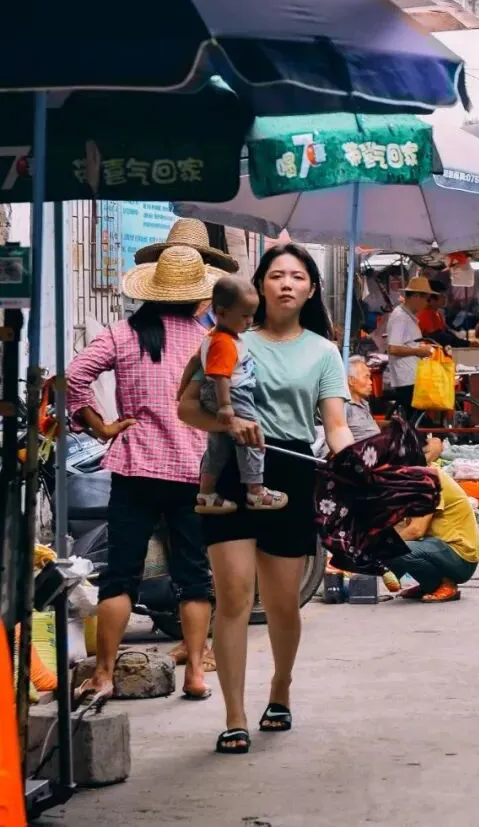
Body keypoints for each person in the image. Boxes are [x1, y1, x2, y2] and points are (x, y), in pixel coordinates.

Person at [177, 241, 352, 756]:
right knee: (232, 595)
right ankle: (234, 715)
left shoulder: (324, 351)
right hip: (229, 469)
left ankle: (280, 687)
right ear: (258, 286)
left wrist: (356, 466)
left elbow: (335, 426)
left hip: (293, 471)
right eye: (276, 275)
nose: (286, 284)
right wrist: (230, 423)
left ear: (311, 288)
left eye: (297, 277)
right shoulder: (225, 340)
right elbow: (186, 407)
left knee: (282, 603)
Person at [67, 245, 217, 703]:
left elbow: (73, 378)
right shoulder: (208, 342)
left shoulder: (121, 334)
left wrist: (101, 425)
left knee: (120, 575)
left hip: (136, 467)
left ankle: (105, 675)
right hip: (194, 468)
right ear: (196, 298)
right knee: (194, 575)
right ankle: (195, 672)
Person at [195, 276, 287, 515]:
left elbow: (194, 365)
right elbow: (221, 376)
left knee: (218, 447)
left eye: (252, 315)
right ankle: (255, 492)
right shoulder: (224, 342)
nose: (249, 321)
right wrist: (226, 405)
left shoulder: (212, 338)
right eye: (244, 316)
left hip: (219, 394)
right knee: (252, 438)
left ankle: (205, 493)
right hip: (234, 395)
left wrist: (183, 388)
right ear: (222, 312)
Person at [382, 435, 479, 602]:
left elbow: (416, 530)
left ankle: (445, 583)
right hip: (437, 548)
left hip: (459, 557)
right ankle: (429, 584)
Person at [384, 278, 439, 415]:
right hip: (407, 379)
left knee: (416, 419)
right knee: (416, 419)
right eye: (426, 299)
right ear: (415, 297)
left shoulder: (407, 316)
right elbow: (393, 348)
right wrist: (418, 350)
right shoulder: (400, 317)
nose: (426, 304)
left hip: (413, 376)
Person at [345, 355, 382, 444]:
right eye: (366, 377)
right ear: (351, 380)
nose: (370, 382)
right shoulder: (345, 407)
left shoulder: (364, 404)